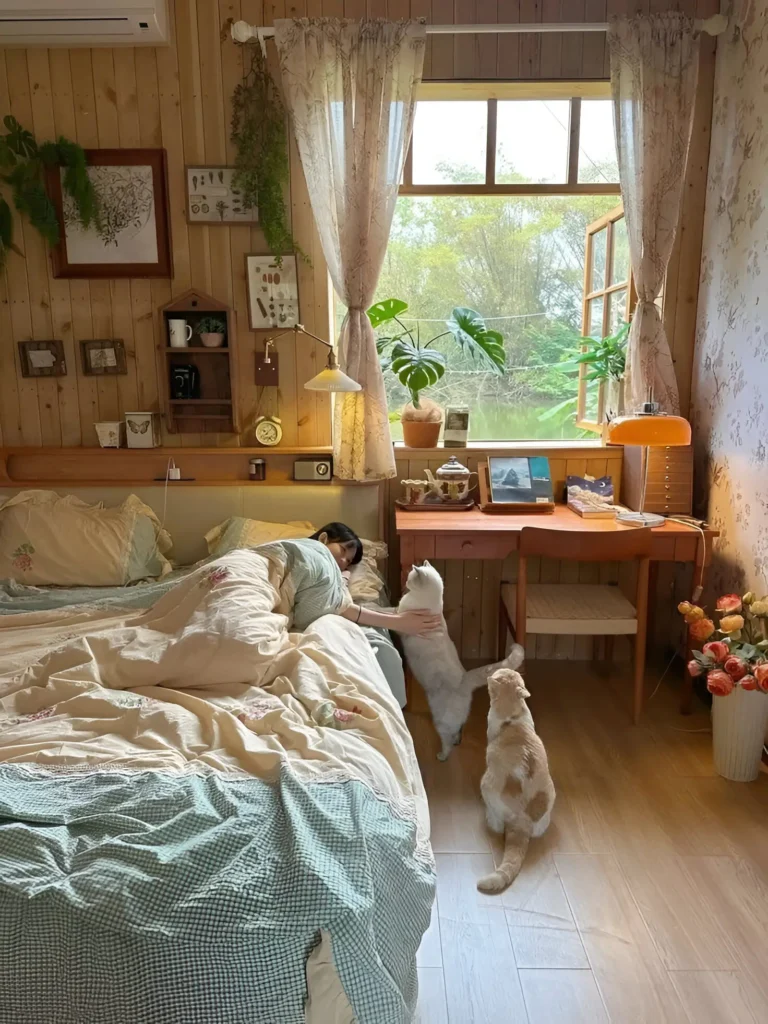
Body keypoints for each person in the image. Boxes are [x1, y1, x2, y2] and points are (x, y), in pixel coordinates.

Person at [310, 523, 441, 637]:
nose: (343, 561)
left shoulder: (326, 572)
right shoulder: (305, 556)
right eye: (342, 549)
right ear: (323, 539)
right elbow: (341, 607)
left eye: (349, 561)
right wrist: (399, 622)